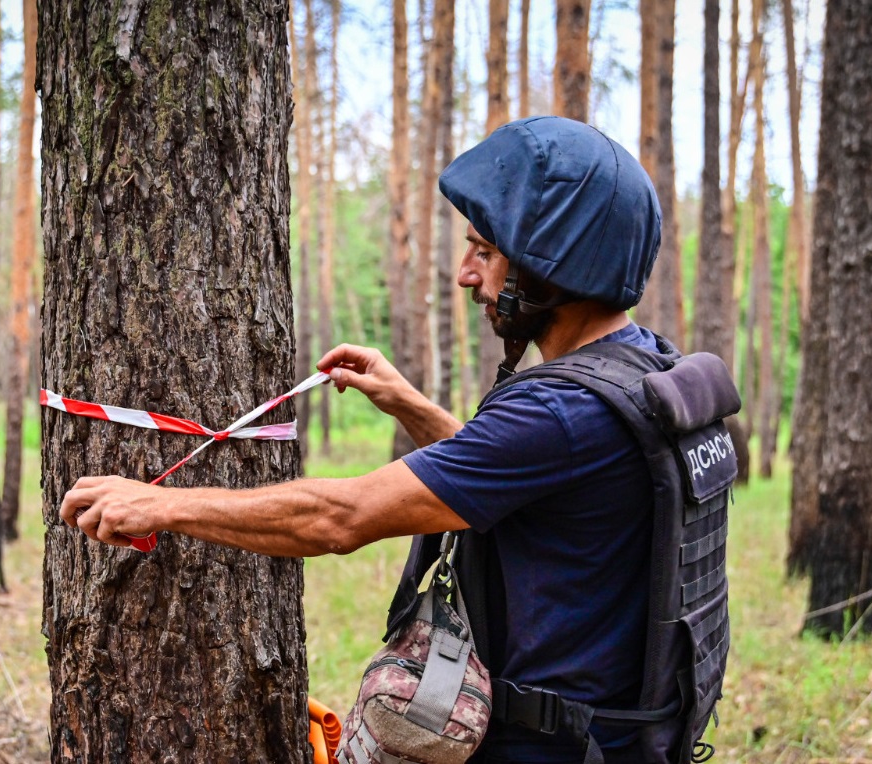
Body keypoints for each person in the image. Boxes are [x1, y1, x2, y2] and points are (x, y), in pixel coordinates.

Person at [61, 116, 676, 762]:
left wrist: (161, 504)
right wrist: (405, 401)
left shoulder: (557, 411)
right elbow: (520, 479)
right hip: (622, 738)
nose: (467, 275)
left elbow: (339, 518)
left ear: (553, 267)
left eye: (485, 253)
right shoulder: (639, 370)